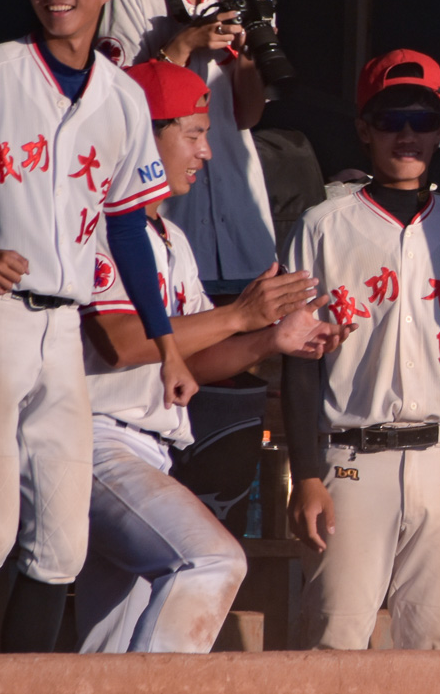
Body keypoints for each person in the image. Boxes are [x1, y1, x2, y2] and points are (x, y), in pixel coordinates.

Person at [0, 0, 192, 655]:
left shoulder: (125, 98)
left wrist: (167, 341)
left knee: (63, 544)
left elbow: (128, 225)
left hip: (62, 327)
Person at [74, 59, 340, 653]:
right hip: (93, 441)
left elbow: (193, 363)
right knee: (212, 560)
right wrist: (241, 314)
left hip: (149, 446)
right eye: (193, 134)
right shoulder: (96, 223)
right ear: (145, 136)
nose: (207, 151)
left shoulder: (172, 237)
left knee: (111, 648)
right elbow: (119, 344)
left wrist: (270, 339)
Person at [282, 49, 440, 649]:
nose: (409, 134)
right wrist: (308, 475)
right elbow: (297, 363)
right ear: (365, 128)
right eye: (392, 119)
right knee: (335, 641)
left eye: (423, 119)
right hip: (351, 457)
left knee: (436, 647)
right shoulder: (321, 226)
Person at [96, 0, 281, 296]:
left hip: (236, 194)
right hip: (163, 200)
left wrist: (249, 61)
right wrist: (183, 44)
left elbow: (249, 116)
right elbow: (121, 105)